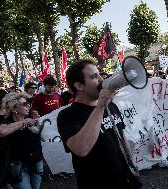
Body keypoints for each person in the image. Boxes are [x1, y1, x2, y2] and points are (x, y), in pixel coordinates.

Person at [57, 59, 142, 189]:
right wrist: (100, 106)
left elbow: (121, 135)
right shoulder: (67, 115)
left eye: (99, 74)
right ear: (79, 86)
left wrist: (131, 161)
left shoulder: (111, 105)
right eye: (94, 76)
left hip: (126, 179)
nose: (101, 79)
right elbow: (81, 149)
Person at [0, 92, 43, 189]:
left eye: (27, 103)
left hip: (37, 163)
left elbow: (44, 137)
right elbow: (1, 132)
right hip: (19, 167)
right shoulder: (7, 121)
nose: (28, 105)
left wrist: (40, 122)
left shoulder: (31, 118)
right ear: (14, 108)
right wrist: (24, 122)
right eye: (24, 104)